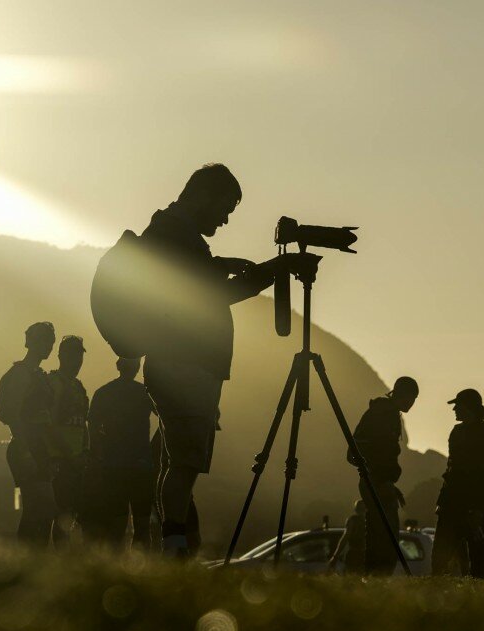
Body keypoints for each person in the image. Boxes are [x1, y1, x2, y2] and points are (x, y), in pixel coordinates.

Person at [137, 163, 299, 557]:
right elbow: (210, 295)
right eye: (225, 209)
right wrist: (272, 271)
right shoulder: (176, 235)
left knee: (179, 460)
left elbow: (192, 281)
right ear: (204, 196)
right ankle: (175, 546)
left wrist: (221, 264)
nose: (225, 220)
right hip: (183, 364)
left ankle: (176, 544)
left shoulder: (173, 232)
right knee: (186, 463)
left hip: (180, 364)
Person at [350, 376, 419, 575]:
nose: (411, 404)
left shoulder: (387, 413)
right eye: (411, 398)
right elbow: (377, 452)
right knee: (384, 538)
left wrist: (389, 482)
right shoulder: (384, 414)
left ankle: (374, 579)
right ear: (401, 394)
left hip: (379, 481)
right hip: (377, 482)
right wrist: (380, 480)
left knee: (379, 534)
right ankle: (377, 579)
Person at [0, 322, 57, 546]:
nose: (48, 346)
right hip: (26, 445)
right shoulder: (21, 374)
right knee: (38, 507)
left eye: (50, 342)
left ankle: (34, 555)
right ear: (31, 341)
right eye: (44, 341)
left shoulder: (37, 374)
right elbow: (12, 415)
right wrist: (25, 452)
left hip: (38, 445)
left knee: (43, 509)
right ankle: (27, 556)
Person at [86, 357, 156, 549]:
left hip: (114, 465)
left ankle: (117, 565)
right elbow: (166, 415)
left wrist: (97, 455)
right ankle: (141, 566)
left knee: (117, 524)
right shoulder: (145, 393)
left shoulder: (104, 393)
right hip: (139, 465)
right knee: (141, 525)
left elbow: (92, 427)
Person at [431, 389, 484, 578]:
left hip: (473, 504)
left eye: (457, 405)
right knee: (440, 553)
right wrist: (442, 500)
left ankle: (478, 593)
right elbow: (452, 468)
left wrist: (478, 508)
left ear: (468, 408)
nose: (454, 409)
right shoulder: (457, 432)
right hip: (451, 500)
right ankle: (437, 584)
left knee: (476, 554)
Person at [47, 335, 90, 548]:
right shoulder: (55, 383)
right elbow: (50, 424)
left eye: (80, 356)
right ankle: (60, 559)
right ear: (62, 356)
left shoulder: (78, 386)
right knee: (61, 513)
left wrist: (85, 451)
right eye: (74, 356)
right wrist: (70, 455)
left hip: (77, 460)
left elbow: (84, 424)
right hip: (59, 459)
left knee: (73, 513)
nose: (78, 362)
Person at [327, 499, 366, 574]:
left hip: (355, 555)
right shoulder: (371, 521)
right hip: (360, 556)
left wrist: (335, 557)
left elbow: (345, 538)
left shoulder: (353, 521)